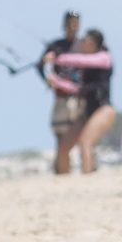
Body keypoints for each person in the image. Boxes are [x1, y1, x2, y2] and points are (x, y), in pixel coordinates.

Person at [51, 29, 117, 175]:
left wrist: (57, 58)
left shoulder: (104, 58)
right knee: (64, 147)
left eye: (84, 41)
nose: (80, 44)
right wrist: (56, 82)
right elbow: (77, 89)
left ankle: (88, 178)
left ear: (93, 43)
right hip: (87, 111)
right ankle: (63, 181)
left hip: (104, 109)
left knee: (85, 143)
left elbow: (79, 59)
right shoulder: (85, 68)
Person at [39, 10, 85, 176]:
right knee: (60, 134)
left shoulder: (84, 45)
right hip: (61, 97)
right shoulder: (56, 45)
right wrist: (48, 79)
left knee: (81, 134)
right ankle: (62, 171)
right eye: (70, 23)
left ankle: (85, 169)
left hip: (79, 97)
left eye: (76, 23)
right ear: (64, 24)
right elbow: (40, 65)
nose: (73, 26)